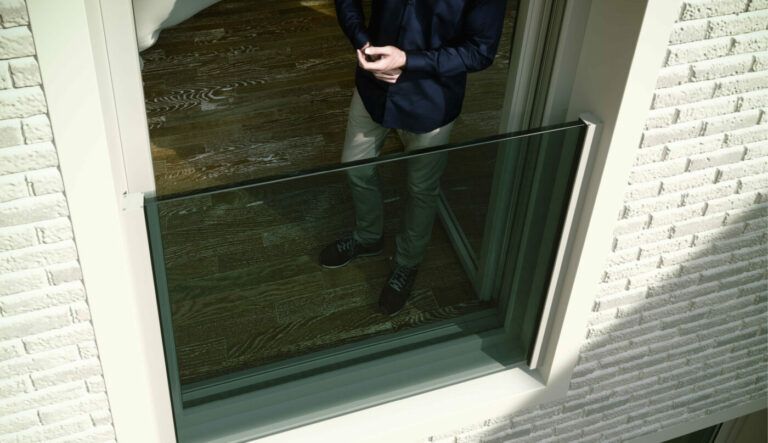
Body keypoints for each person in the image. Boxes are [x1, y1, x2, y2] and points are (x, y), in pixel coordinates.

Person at [321, 0, 507, 315]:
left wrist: (408, 61)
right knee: (355, 167)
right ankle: (368, 237)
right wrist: (361, 40)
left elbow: (480, 51)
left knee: (422, 189)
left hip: (430, 100)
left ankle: (408, 262)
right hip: (372, 89)